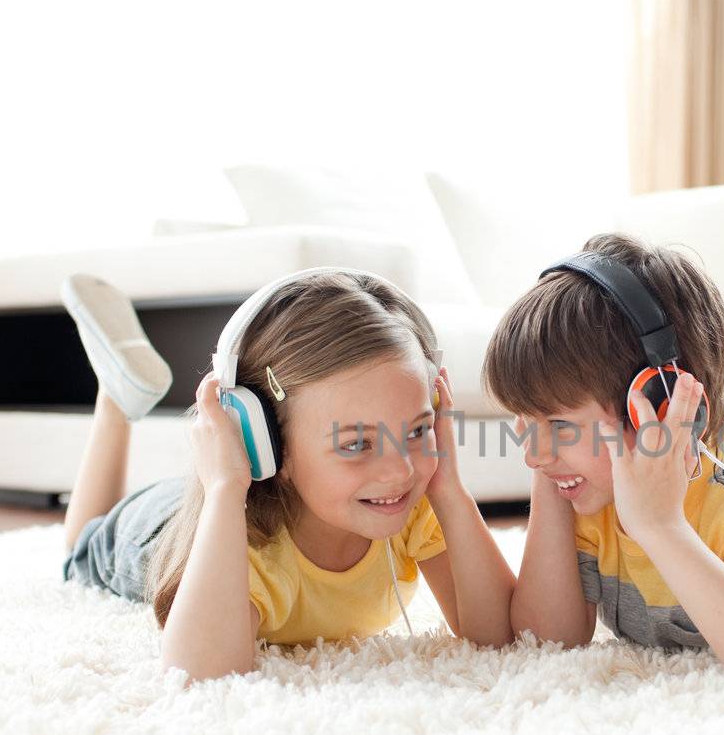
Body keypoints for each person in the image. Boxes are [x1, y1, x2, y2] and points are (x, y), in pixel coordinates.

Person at [58, 268, 514, 681]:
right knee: (80, 544)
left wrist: (449, 489)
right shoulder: (253, 552)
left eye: (416, 430)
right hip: (165, 526)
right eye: (356, 444)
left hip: (231, 494)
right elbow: (197, 672)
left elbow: (496, 632)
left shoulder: (409, 503)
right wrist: (222, 490)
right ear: (265, 442)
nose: (400, 469)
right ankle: (114, 399)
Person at [482, 234, 724, 680]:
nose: (532, 455)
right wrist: (551, 478)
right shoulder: (590, 494)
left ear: (657, 405)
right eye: (524, 421)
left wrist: (660, 525)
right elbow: (546, 637)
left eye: (559, 426)